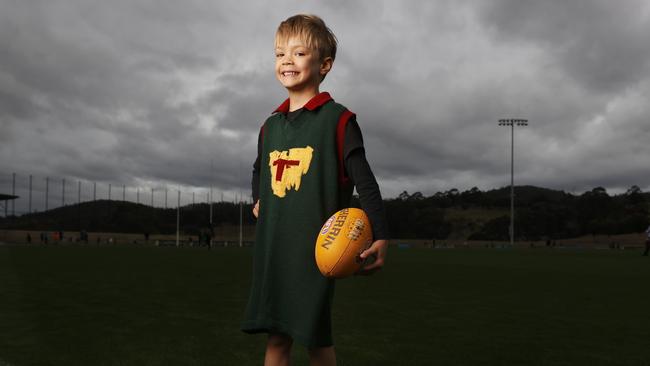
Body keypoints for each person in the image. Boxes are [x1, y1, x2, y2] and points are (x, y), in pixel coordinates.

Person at [240, 14, 389, 366]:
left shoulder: (338, 120)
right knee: (276, 339)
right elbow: (258, 168)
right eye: (279, 54)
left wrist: (380, 234)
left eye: (298, 53)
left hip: (315, 253)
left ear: (325, 64)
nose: (286, 61)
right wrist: (257, 199)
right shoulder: (270, 125)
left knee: (316, 340)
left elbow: (365, 182)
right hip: (274, 248)